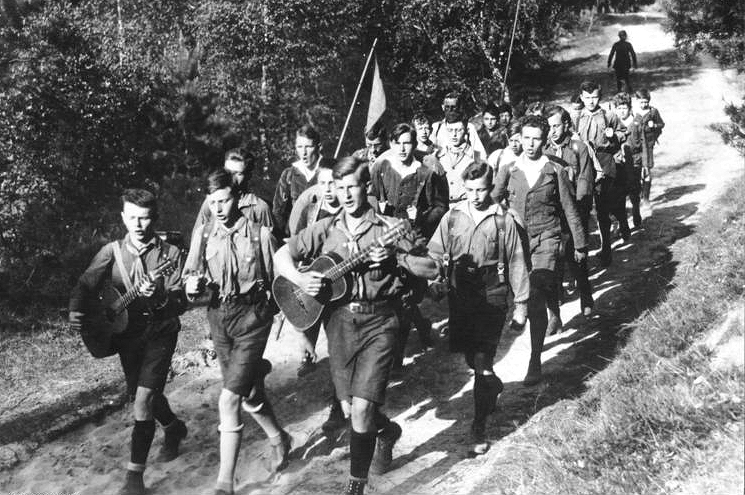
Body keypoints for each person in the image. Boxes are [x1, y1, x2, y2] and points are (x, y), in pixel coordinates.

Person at [273, 156, 437, 495]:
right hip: (339, 323)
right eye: (340, 187)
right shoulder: (327, 228)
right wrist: (300, 278)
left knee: (361, 409)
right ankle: (388, 432)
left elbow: (431, 267)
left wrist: (396, 258)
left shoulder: (390, 227)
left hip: (381, 321)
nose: (346, 194)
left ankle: (355, 485)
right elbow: (280, 255)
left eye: (353, 186)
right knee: (351, 409)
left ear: (367, 187)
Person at [69, 189, 188, 495]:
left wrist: (159, 295)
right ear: (123, 217)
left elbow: (180, 302)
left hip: (161, 332)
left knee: (143, 400)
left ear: (155, 217)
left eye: (144, 217)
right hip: (127, 335)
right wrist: (75, 310)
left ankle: (134, 480)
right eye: (132, 216)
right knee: (142, 393)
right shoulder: (111, 251)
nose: (138, 223)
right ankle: (174, 429)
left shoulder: (170, 255)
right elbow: (85, 284)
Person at [184, 170, 290, 495]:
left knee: (229, 399)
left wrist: (290, 322)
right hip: (219, 318)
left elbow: (280, 280)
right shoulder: (203, 234)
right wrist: (192, 284)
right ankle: (280, 438)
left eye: (224, 199)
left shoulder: (260, 234)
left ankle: (224, 483)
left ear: (237, 197)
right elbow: (190, 275)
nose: (218, 207)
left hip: (253, 318)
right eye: (212, 201)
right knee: (248, 394)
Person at [425, 161, 529, 454]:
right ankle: (492, 385)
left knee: (482, 361)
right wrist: (434, 279)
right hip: (461, 295)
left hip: (492, 293)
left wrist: (520, 305)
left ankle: (479, 425)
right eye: (470, 189)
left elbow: (518, 261)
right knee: (472, 358)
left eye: (481, 189)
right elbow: (435, 251)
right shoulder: (453, 217)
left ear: (491, 186)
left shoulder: (504, 219)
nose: (476, 195)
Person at [494, 115, 588, 386]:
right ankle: (554, 310)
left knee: (534, 292)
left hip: (548, 238)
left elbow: (570, 209)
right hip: (518, 243)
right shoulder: (509, 170)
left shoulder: (554, 171)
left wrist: (580, 244)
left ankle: (534, 360)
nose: (531, 143)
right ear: (519, 139)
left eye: (536, 138)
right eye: (526, 137)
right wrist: (503, 217)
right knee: (536, 291)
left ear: (544, 139)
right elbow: (492, 203)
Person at [370, 123, 449, 363]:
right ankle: (411, 337)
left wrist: (421, 217)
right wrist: (378, 207)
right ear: (391, 145)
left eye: (407, 143)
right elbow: (371, 196)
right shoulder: (382, 168)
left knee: (409, 295)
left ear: (414, 145)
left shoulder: (425, 173)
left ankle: (399, 351)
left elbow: (440, 206)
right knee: (393, 295)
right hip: (386, 239)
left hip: (414, 240)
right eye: (397, 143)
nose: (402, 148)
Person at [545, 105, 595, 317]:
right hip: (553, 212)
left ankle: (586, 295)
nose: (553, 131)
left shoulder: (577, 148)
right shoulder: (544, 151)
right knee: (554, 255)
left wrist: (579, 209)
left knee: (577, 254)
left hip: (575, 209)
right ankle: (558, 296)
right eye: (549, 127)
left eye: (556, 126)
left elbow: (585, 180)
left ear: (566, 124)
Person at [574, 80, 628, 266]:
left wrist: (615, 135)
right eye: (587, 97)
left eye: (594, 97)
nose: (591, 101)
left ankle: (606, 250)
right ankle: (581, 253)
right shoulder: (576, 117)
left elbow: (623, 131)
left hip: (604, 161)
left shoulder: (608, 115)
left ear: (600, 96)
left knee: (603, 207)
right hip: (583, 163)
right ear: (581, 97)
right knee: (582, 207)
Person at [273, 124, 327, 239]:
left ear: (319, 147)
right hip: (296, 238)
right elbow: (279, 213)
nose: (304, 152)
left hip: (324, 235)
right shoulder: (288, 175)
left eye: (308, 146)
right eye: (300, 147)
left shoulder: (329, 171)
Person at [431, 110, 487, 206]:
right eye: (450, 130)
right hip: (442, 208)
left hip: (466, 207)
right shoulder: (438, 155)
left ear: (466, 130)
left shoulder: (476, 156)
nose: (454, 134)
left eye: (458, 130)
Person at [631, 89, 665, 207]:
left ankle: (646, 198)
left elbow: (661, 124)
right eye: (641, 102)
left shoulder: (653, 112)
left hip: (647, 146)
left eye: (646, 102)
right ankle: (638, 194)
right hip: (635, 146)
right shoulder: (633, 112)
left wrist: (654, 125)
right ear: (637, 101)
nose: (644, 104)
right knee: (635, 171)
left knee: (646, 171)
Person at [613, 92, 640, 228]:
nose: (621, 111)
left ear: (629, 108)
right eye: (618, 108)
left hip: (634, 162)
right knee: (620, 193)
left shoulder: (636, 123)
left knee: (634, 190)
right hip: (619, 164)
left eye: (624, 107)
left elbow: (643, 144)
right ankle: (623, 223)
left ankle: (636, 212)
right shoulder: (613, 124)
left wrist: (645, 164)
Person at [430, 92, 486, 157]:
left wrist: (477, 163)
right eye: (447, 107)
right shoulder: (436, 127)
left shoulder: (468, 127)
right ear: (443, 107)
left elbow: (478, 151)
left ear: (459, 108)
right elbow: (430, 151)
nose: (450, 110)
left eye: (453, 107)